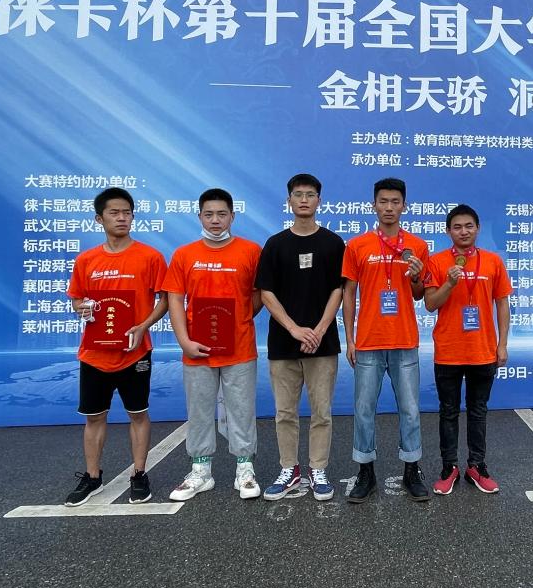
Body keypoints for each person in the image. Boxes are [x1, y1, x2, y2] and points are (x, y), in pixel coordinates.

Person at [65, 187, 168, 507]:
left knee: (138, 413)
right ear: (99, 219)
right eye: (114, 212)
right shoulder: (86, 260)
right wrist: (83, 308)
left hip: (135, 352)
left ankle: (139, 474)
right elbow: (77, 301)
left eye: (127, 212)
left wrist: (144, 325)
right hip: (94, 353)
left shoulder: (150, 257)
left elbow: (165, 300)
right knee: (94, 417)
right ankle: (92, 476)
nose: (122, 218)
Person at [163, 188, 264, 501]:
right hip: (196, 349)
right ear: (199, 217)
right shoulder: (184, 255)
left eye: (222, 214)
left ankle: (244, 469)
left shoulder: (251, 251)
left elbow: (259, 295)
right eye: (209, 214)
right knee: (199, 411)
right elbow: (175, 299)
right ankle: (201, 471)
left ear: (233, 216)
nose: (215, 220)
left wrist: (239, 322)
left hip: (240, 348)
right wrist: (184, 341)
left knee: (242, 410)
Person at [256, 174, 345, 501]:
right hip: (283, 343)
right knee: (285, 413)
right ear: (289, 201)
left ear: (319, 200)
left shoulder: (333, 243)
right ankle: (289, 469)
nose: (304, 200)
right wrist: (294, 329)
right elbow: (266, 292)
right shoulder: (276, 244)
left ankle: (318, 469)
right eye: (298, 194)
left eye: (310, 194)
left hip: (323, 342)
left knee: (322, 412)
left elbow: (338, 290)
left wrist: (318, 330)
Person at [342, 177, 431, 502]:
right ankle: (365, 471)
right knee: (364, 409)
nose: (389, 208)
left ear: (404, 206)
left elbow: (419, 294)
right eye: (383, 201)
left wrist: (417, 275)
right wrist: (349, 339)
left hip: (404, 340)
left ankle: (411, 469)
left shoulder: (417, 246)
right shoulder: (357, 245)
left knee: (410, 409)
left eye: (395, 202)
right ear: (373, 205)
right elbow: (349, 293)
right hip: (368, 341)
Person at [423, 204, 512, 495]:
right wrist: (450, 283)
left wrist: (502, 344)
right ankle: (449, 468)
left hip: (482, 350)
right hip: (448, 350)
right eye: (457, 227)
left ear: (478, 228)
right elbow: (430, 303)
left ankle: (477, 466)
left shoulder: (492, 261)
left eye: (469, 226)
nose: (463, 231)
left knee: (478, 411)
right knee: (448, 412)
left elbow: (502, 304)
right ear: (448, 231)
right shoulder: (437, 262)